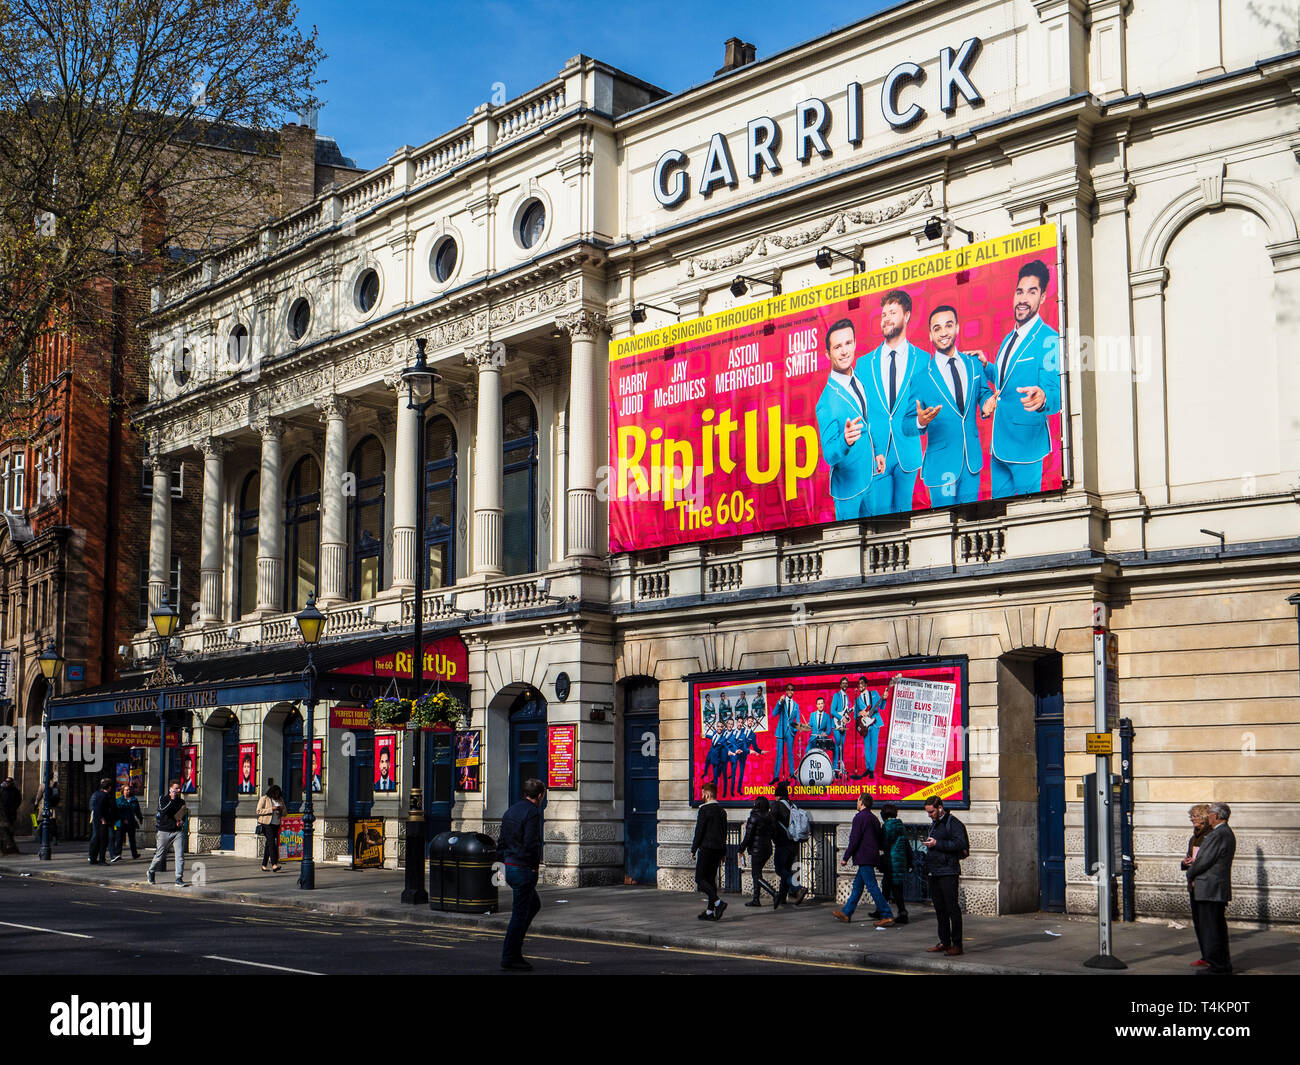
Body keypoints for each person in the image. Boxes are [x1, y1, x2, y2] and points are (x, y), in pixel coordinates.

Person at [980, 259, 1062, 499]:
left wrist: (1044, 397)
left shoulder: (1049, 339)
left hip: (1027, 445)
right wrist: (987, 367)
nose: (1023, 298)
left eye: (1032, 292)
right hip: (999, 443)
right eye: (1020, 291)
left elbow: (1056, 392)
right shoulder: (1008, 338)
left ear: (1043, 297)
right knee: (1000, 514)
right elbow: (1007, 383)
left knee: (1027, 518)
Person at [911, 304, 991, 506]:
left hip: (971, 461)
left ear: (957, 328)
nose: (943, 332)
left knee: (971, 523)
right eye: (937, 328)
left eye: (948, 325)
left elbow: (984, 392)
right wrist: (920, 421)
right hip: (941, 466)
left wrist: (987, 404)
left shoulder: (973, 364)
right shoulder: (921, 378)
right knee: (943, 526)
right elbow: (905, 423)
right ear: (930, 335)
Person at [861, 290, 926, 515]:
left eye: (892, 312)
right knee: (880, 519)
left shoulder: (924, 360)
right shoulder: (863, 365)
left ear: (906, 316)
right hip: (876, 453)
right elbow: (859, 412)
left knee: (908, 515)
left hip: (908, 450)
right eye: (883, 314)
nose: (886, 318)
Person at [815, 317, 883, 519]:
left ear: (854, 343)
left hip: (870, 478)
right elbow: (829, 455)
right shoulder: (826, 401)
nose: (844, 351)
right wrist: (844, 441)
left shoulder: (860, 381)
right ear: (828, 354)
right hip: (847, 490)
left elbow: (868, 423)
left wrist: (878, 452)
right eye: (837, 347)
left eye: (848, 343)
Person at [498, 777, 546, 970]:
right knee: (519, 915)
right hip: (523, 868)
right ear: (540, 795)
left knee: (533, 904)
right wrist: (534, 867)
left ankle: (515, 949)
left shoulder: (511, 810)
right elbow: (531, 843)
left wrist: (501, 864)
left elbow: (501, 841)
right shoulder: (532, 812)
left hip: (510, 866)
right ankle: (510, 955)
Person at [1185, 802, 1236, 975]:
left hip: (1210, 888)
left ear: (1217, 815)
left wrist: (1190, 873)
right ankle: (1220, 963)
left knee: (1212, 929)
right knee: (1215, 927)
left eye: (1211, 812)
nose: (1209, 815)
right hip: (1212, 888)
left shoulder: (1218, 834)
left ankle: (1218, 966)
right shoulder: (1222, 833)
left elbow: (1204, 861)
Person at [833, 792, 894, 926]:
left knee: (872, 886)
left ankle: (887, 914)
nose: (856, 803)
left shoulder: (859, 818)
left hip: (863, 857)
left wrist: (846, 857)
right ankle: (846, 912)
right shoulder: (874, 819)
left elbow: (854, 839)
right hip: (871, 856)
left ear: (862, 802)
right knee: (857, 886)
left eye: (857, 801)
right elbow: (879, 839)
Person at [923, 796, 969, 956]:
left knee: (952, 909)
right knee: (940, 909)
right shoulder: (935, 824)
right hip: (935, 871)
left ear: (940, 807)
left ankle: (957, 944)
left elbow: (960, 844)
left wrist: (937, 844)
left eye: (932, 811)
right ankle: (944, 941)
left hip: (948, 871)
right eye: (928, 812)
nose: (930, 815)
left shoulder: (953, 823)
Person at [691, 781, 728, 921]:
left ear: (707, 793)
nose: (701, 795)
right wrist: (724, 852)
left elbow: (699, 831)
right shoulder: (722, 811)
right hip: (718, 849)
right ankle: (709, 912)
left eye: (702, 793)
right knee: (710, 880)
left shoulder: (704, 810)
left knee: (700, 879)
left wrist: (694, 848)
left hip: (707, 848)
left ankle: (718, 903)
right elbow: (724, 833)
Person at [1181, 803, 1212, 967]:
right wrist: (1185, 862)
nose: (1192, 819)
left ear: (1205, 818)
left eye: (1195, 816)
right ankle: (1205, 955)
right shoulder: (1194, 837)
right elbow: (1190, 856)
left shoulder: (1210, 835)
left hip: (1204, 883)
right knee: (1198, 922)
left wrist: (1195, 864)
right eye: (1191, 816)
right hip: (1194, 883)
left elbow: (1207, 860)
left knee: (1207, 922)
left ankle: (1210, 956)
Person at [770, 781, 807, 908]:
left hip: (782, 843)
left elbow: (771, 822)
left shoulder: (777, 805)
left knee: (780, 870)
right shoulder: (793, 806)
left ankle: (798, 888)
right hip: (793, 844)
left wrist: (773, 836)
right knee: (786, 870)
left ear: (778, 796)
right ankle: (782, 898)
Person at [738, 796, 777, 907]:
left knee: (756, 876)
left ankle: (774, 893)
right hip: (767, 849)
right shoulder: (770, 818)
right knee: (757, 874)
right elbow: (774, 833)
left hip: (757, 850)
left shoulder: (754, 817)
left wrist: (741, 848)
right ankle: (756, 899)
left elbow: (748, 836)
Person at [147, 780, 187, 886]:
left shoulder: (181, 802)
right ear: (170, 789)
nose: (178, 790)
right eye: (176, 788)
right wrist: (172, 800)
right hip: (164, 831)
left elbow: (183, 814)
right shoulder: (163, 799)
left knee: (180, 855)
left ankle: (179, 878)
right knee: (160, 855)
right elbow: (162, 810)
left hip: (177, 832)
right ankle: (151, 871)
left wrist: (182, 821)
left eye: (179, 788)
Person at [879, 803, 911, 925]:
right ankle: (881, 910)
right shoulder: (900, 825)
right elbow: (906, 843)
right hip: (900, 860)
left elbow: (884, 844)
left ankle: (902, 913)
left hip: (891, 861)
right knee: (889, 886)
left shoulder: (887, 826)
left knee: (894, 888)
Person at [852, 676, 885, 780]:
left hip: (875, 723)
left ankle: (871, 770)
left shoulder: (874, 693)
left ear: (866, 685)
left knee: (874, 747)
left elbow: (882, 706)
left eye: (862, 683)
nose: (860, 685)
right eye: (859, 684)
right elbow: (855, 716)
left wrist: (885, 698)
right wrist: (859, 712)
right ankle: (867, 768)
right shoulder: (857, 700)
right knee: (867, 748)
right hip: (865, 725)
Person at [771, 683, 800, 783]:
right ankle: (776, 776)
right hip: (781, 731)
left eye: (792, 689)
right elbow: (774, 713)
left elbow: (798, 721)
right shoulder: (782, 702)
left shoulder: (796, 705)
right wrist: (779, 702)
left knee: (790, 754)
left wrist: (795, 730)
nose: (790, 691)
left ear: (793, 691)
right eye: (788, 689)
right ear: (786, 691)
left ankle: (792, 774)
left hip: (790, 733)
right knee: (779, 754)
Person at [257, 783, 286, 872]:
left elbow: (285, 813)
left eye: (278, 793)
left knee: (268, 844)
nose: (277, 795)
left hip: (276, 823)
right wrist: (271, 809)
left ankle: (263, 865)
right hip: (267, 823)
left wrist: (281, 810)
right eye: (275, 793)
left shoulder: (280, 800)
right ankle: (274, 864)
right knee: (272, 843)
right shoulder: (265, 798)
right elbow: (258, 811)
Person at [110, 782, 143, 861]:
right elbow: (117, 811)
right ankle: (118, 854)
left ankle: (134, 854)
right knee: (119, 839)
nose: (128, 791)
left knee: (132, 839)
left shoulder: (134, 800)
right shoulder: (119, 800)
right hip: (121, 822)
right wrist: (122, 819)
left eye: (129, 790)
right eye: (126, 790)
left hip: (131, 821)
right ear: (123, 791)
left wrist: (140, 818)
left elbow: (137, 810)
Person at [87, 777, 115, 864]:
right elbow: (98, 808)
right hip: (102, 821)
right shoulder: (103, 796)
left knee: (98, 840)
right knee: (103, 841)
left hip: (100, 820)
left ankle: (93, 858)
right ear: (109, 787)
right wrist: (102, 819)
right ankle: (101, 860)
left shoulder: (98, 794)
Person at [829, 677, 852, 778]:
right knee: (837, 746)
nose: (845, 685)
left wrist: (847, 715)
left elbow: (846, 711)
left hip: (843, 725)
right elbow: (832, 711)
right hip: (836, 724)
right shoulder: (836, 695)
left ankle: (841, 768)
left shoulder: (847, 697)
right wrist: (841, 717)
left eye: (846, 683)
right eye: (843, 683)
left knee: (842, 746)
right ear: (840, 685)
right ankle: (834, 769)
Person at [0, 776, 20, 854]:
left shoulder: (15, 791)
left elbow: (18, 801)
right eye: (6, 782)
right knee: (4, 829)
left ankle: (10, 846)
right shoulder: (2, 790)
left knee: (10, 829)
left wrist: (14, 808)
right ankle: (6, 846)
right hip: (3, 813)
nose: (7, 783)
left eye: (9, 782)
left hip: (11, 813)